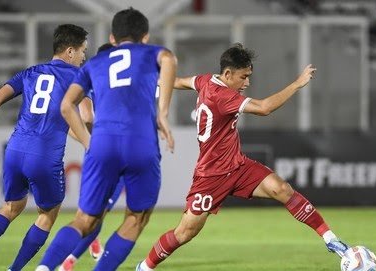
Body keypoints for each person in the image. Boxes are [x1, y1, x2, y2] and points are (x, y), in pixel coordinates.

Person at [135, 43, 349, 271]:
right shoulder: (223, 96)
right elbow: (264, 107)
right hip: (211, 176)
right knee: (185, 233)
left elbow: (178, 82)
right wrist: (297, 83)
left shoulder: (205, 81)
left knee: (282, 189)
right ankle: (145, 267)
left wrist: (152, 80)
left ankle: (331, 239)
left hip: (238, 167)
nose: (247, 83)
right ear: (228, 74)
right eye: (244, 77)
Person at [35, 7, 176, 271]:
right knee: (136, 218)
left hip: (103, 143)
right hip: (140, 142)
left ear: (112, 38)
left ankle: (44, 267)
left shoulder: (94, 63)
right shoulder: (150, 52)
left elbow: (66, 106)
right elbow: (168, 59)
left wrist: (89, 141)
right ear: (145, 37)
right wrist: (163, 115)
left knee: (84, 219)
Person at [0, 24, 89, 271]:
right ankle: (14, 269)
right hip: (44, 155)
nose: (84, 57)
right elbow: (87, 116)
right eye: (82, 51)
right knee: (48, 214)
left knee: (11, 207)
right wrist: (90, 140)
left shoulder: (30, 73)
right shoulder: (77, 78)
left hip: (15, 151)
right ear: (70, 51)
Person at [59, 43, 126, 271]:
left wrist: (88, 141)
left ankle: (76, 251)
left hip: (97, 154)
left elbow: (68, 120)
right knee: (96, 214)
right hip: (112, 155)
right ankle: (69, 261)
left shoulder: (87, 79)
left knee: (87, 212)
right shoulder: (111, 85)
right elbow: (87, 116)